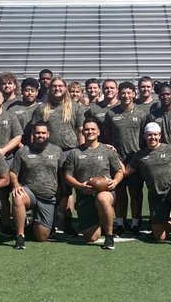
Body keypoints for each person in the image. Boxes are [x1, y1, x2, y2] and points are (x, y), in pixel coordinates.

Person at [62, 116, 124, 250]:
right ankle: (99, 220)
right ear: (82, 132)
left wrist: (115, 181)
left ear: (98, 132)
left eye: (93, 129)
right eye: (87, 129)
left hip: (105, 192)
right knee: (91, 238)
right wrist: (80, 186)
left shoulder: (107, 150)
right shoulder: (74, 153)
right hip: (84, 196)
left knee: (102, 198)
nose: (90, 132)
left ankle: (109, 236)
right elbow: (67, 175)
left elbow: (119, 171)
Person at [126, 122, 171, 243]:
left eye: (155, 134)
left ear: (160, 135)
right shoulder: (139, 155)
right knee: (159, 238)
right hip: (156, 194)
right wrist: (112, 153)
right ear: (145, 136)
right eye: (149, 135)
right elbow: (125, 172)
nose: (152, 137)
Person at [103, 81, 148, 236]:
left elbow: (144, 137)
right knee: (120, 192)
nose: (126, 96)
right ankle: (120, 223)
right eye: (123, 93)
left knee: (136, 192)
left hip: (135, 160)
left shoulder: (142, 113)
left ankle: (136, 223)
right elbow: (107, 135)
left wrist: (138, 154)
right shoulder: (111, 113)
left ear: (134, 94)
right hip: (117, 159)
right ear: (119, 94)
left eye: (129, 93)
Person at [10, 123, 66, 245]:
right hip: (29, 192)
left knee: (41, 237)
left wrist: (65, 195)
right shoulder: (23, 151)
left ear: (48, 134)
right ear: (33, 134)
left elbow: (63, 175)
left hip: (48, 196)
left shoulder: (57, 151)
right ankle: (20, 235)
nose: (40, 135)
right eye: (37, 132)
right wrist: (15, 185)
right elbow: (13, 172)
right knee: (17, 196)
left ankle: (33, 225)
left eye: (43, 133)